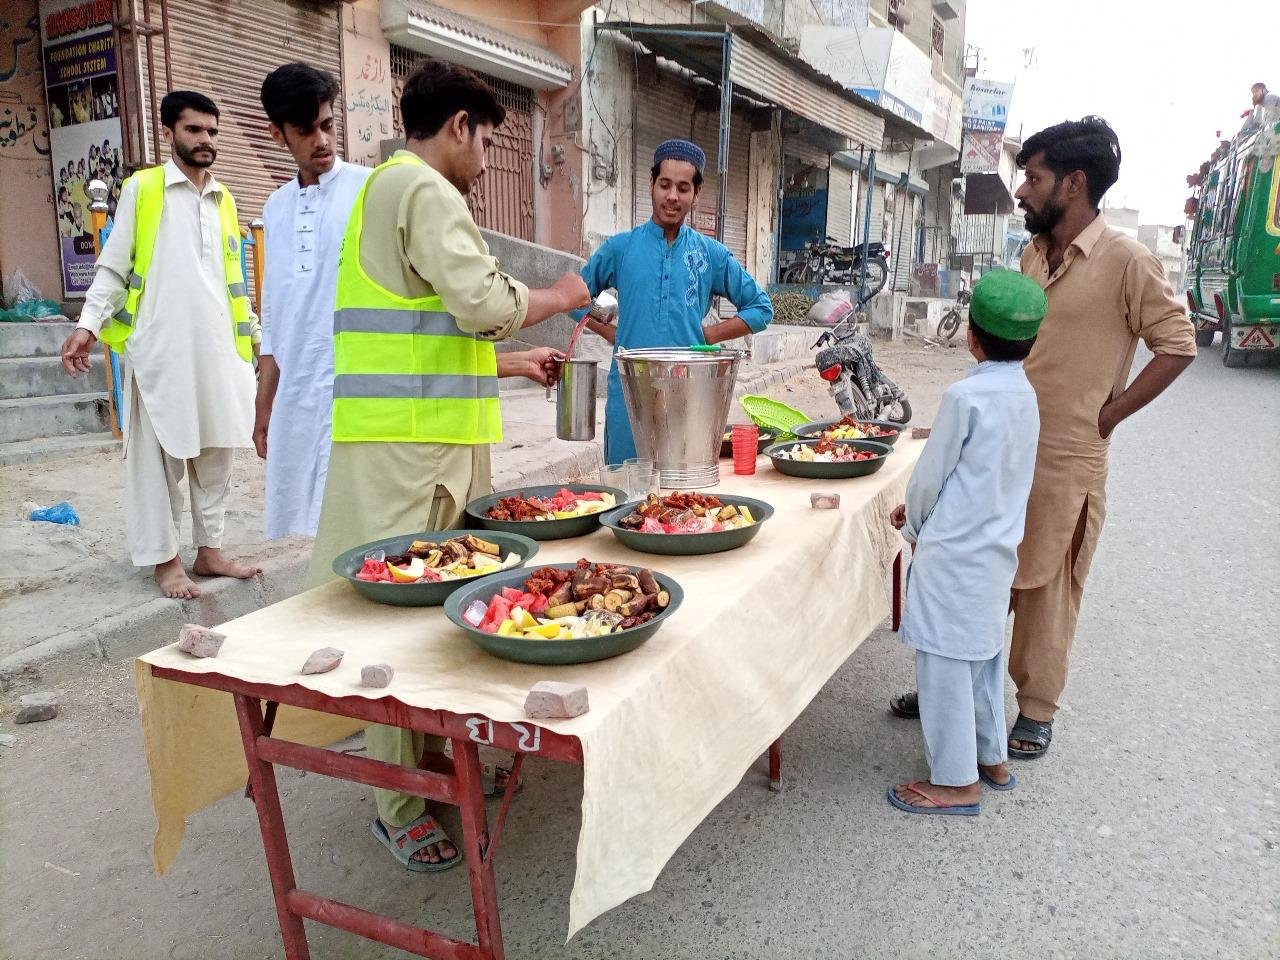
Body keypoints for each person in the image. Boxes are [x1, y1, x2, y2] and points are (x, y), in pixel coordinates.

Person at [304, 60, 590, 871]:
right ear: (459, 125)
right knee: (402, 627)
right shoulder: (424, 191)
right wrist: (563, 295)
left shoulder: (390, 190)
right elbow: (487, 305)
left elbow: (434, 332)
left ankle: (428, 760)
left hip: (425, 445)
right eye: (490, 139)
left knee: (440, 622)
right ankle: (397, 801)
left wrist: (516, 362)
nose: (491, 158)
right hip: (407, 455)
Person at [889, 117, 1196, 759]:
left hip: (1068, 455)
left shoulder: (1127, 262)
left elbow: (1178, 344)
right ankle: (955, 681)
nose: (1023, 191)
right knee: (981, 567)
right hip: (1004, 443)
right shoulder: (1032, 254)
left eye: (1033, 178)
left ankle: (1035, 707)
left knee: (1047, 582)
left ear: (1075, 184)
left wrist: (1109, 415)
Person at [60, 90, 262, 600]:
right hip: (160, 352)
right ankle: (166, 560)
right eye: (194, 130)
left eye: (212, 132)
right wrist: (87, 324)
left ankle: (209, 550)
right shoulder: (143, 189)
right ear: (169, 132)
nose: (205, 141)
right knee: (158, 461)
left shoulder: (225, 197)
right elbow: (113, 264)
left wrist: (259, 339)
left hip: (218, 352)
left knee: (216, 454)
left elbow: (231, 279)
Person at [885, 270, 1045, 815]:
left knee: (945, 665)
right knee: (982, 656)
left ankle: (957, 782)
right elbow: (986, 476)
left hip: (953, 556)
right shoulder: (1027, 395)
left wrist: (914, 523)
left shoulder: (964, 396)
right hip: (996, 551)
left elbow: (932, 477)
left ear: (971, 336)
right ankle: (991, 757)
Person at [577, 139, 773, 462]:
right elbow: (575, 297)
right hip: (629, 394)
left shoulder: (711, 255)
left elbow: (761, 308)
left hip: (688, 394)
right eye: (665, 185)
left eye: (683, 188)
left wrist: (710, 335)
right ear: (651, 184)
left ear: (696, 193)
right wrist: (609, 330)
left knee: (685, 498)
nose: (672, 196)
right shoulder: (621, 248)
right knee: (628, 493)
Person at [253, 62, 371, 538]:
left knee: (357, 515)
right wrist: (265, 402)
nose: (321, 141)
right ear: (278, 134)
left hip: (357, 381)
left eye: (327, 125)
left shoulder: (368, 188)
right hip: (300, 386)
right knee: (312, 520)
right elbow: (277, 309)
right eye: (306, 131)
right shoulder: (275, 207)